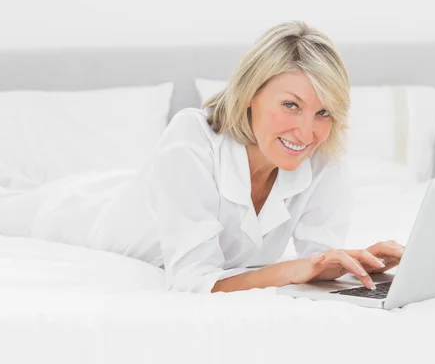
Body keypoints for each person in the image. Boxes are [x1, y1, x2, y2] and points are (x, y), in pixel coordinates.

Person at [87, 20, 405, 294]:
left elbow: (318, 258)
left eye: (322, 112)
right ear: (251, 93)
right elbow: (193, 281)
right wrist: (291, 271)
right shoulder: (190, 143)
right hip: (91, 216)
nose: (307, 134)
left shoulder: (321, 155)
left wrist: (362, 262)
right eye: (291, 105)